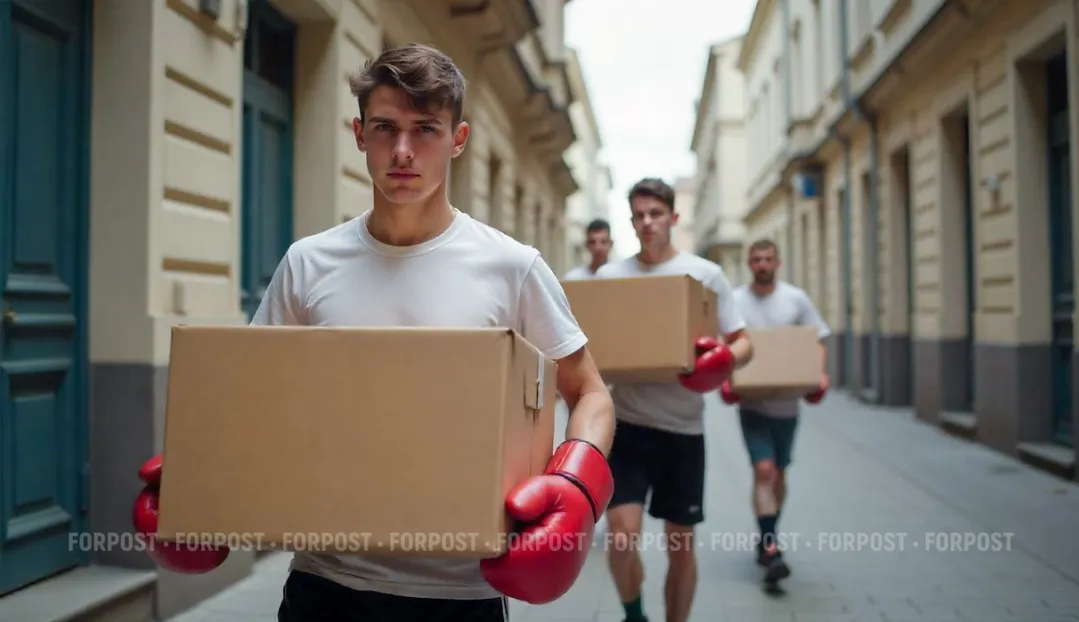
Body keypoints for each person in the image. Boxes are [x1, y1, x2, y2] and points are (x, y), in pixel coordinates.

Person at [131, 43, 617, 622]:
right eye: (385, 128)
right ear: (359, 134)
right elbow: (253, 401)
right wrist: (203, 479)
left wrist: (576, 483)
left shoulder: (512, 267)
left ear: (458, 139)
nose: (403, 151)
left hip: (459, 593)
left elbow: (590, 392)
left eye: (426, 130)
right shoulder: (309, 263)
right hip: (325, 583)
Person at [595, 178, 754, 622]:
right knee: (622, 539)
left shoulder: (704, 275)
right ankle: (634, 614)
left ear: (673, 218)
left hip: (683, 431)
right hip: (627, 427)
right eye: (639, 215)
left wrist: (723, 359)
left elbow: (744, 342)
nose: (647, 223)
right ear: (631, 221)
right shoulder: (611, 279)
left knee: (680, 547)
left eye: (655, 214)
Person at [719, 238, 830, 585]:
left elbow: (816, 340)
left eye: (768, 259)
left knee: (779, 474)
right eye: (757, 259)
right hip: (752, 405)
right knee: (763, 469)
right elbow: (722, 345)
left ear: (777, 262)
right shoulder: (736, 302)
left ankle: (768, 532)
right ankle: (771, 548)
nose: (762, 264)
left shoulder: (795, 299)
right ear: (750, 263)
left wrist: (818, 375)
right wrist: (725, 376)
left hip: (788, 406)